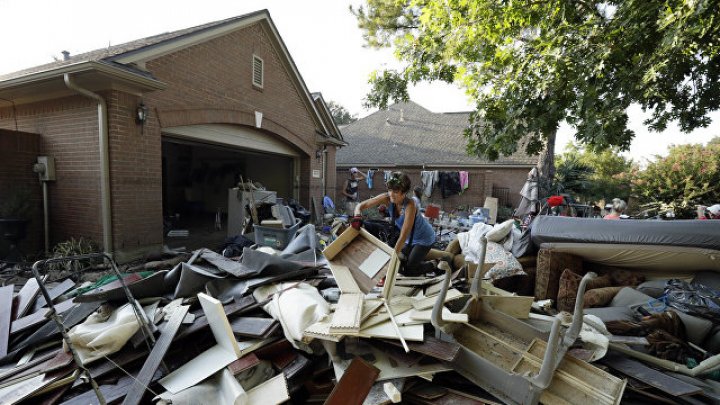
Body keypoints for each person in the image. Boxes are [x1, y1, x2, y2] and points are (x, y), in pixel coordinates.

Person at [355, 171, 437, 276]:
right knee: (400, 266)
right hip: (409, 239)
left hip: (424, 238)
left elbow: (403, 235)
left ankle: (434, 264)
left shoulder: (410, 205)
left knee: (409, 270)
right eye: (390, 190)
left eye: (396, 191)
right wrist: (357, 215)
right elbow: (361, 205)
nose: (391, 194)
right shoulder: (387, 198)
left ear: (404, 192)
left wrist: (392, 256)